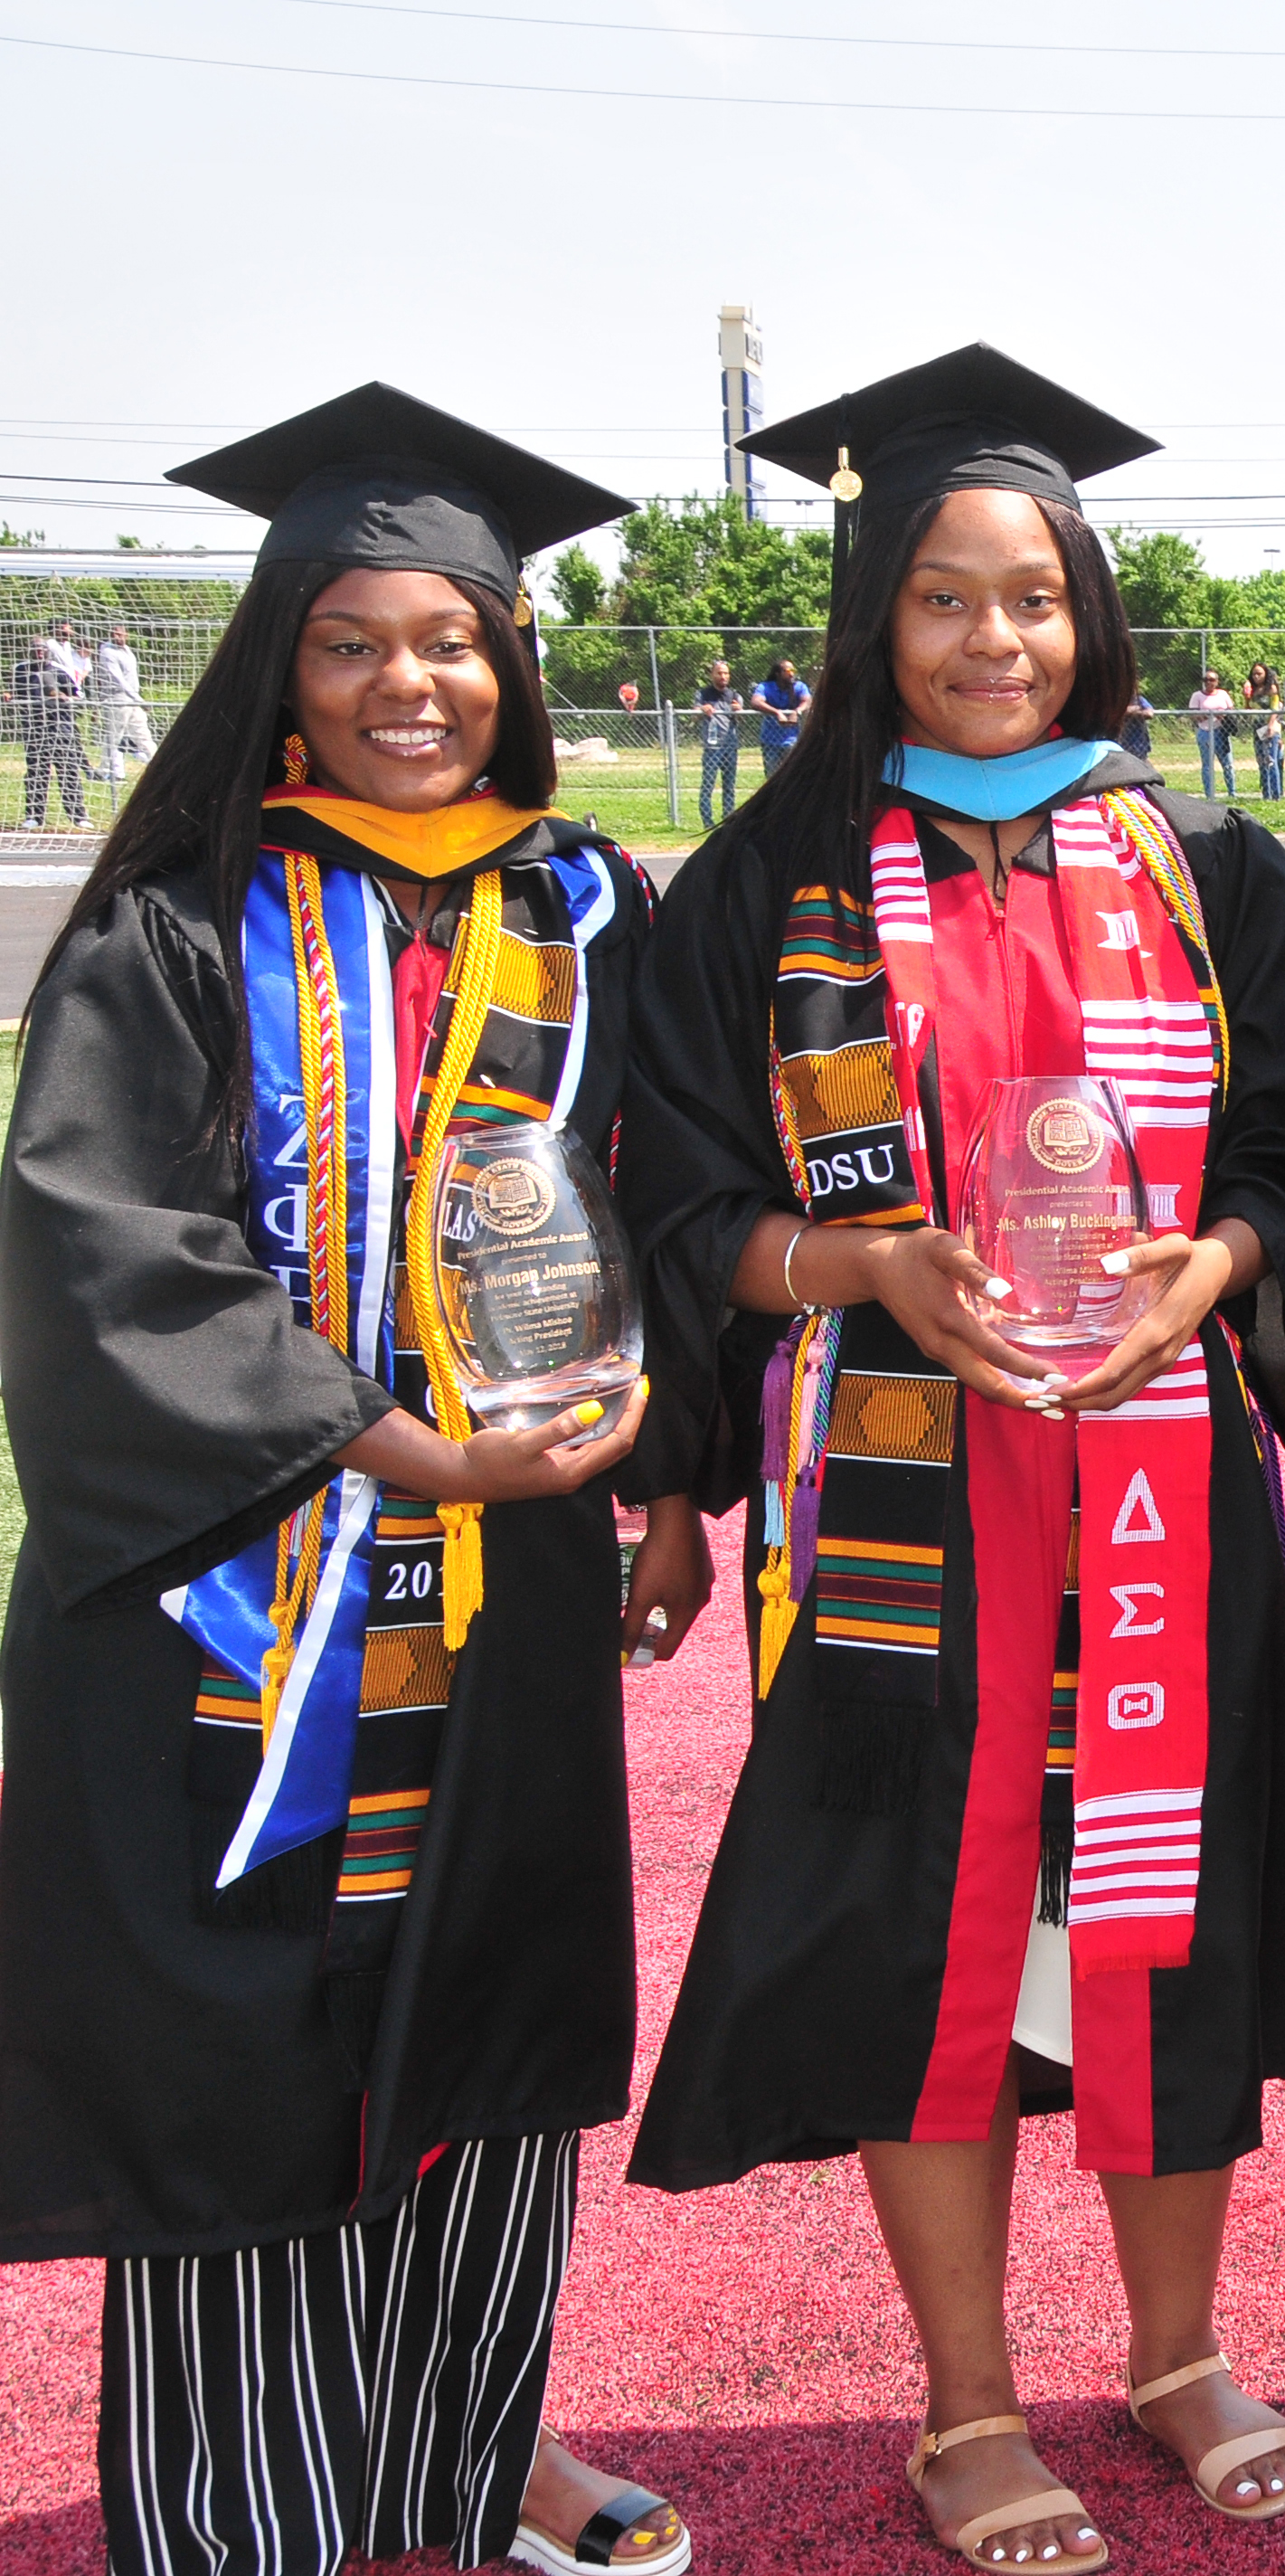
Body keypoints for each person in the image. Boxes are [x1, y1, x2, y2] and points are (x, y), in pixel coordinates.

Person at [623, 346, 1285, 2571]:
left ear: (1092, 613)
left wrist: (1215, 1262)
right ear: (874, 619)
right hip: (894, 1499)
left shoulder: (1206, 853)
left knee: (1162, 1904)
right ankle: (965, 2400)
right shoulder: (770, 876)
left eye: (1034, 596)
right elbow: (674, 1202)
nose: (995, 640)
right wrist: (855, 1267)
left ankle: (1178, 2341)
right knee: (919, 1924)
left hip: (1158, 1482)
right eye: (945, 597)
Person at [0, 384, 710, 2576]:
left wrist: (670, 1470)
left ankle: (469, 2437)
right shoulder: (184, 923)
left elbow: (666, 1194)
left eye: (459, 640)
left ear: (514, 664)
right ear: (282, 665)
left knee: (483, 1998)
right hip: (239, 1587)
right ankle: (253, 2492)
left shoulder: (600, 907)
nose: (416, 684)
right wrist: (388, 1436)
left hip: (508, 1581)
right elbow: (115, 1241)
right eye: (355, 641)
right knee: (250, 2021)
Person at [15, 625, 88, 828]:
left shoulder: (60, 671)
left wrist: (66, 698)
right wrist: (9, 696)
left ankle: (78, 816)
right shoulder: (20, 671)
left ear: (48, 651)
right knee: (36, 772)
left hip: (61, 728)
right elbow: (14, 692)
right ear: (29, 651)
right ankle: (34, 816)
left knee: (68, 770)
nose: (39, 651)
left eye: (42, 648)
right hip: (35, 729)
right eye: (35, 648)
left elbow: (78, 695)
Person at [89, 623, 148, 796]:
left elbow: (131, 678)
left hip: (134, 698)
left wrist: (138, 698)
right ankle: (104, 770)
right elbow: (118, 679)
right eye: (114, 634)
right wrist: (138, 699)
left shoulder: (128, 651)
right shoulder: (108, 652)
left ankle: (158, 763)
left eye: (120, 634)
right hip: (118, 698)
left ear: (126, 635)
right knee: (114, 736)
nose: (118, 637)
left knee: (143, 734)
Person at [694, 657, 743, 827]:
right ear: (712, 675)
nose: (723, 676)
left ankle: (728, 820)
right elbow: (694, 715)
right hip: (712, 747)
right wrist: (702, 709)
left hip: (731, 746)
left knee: (729, 786)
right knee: (708, 785)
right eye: (719, 673)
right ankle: (707, 822)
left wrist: (739, 711)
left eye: (726, 673)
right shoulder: (703, 694)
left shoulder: (734, 695)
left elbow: (741, 717)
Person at [754, 653, 809, 774]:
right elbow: (756, 702)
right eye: (788, 670)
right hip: (770, 741)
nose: (792, 673)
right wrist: (777, 712)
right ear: (778, 674)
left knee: (792, 776)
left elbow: (807, 701)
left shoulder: (799, 686)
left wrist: (797, 711)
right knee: (772, 777)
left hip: (792, 740)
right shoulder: (765, 686)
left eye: (793, 670)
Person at [1189, 665, 1239, 799]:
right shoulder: (1197, 696)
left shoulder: (1223, 694)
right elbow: (1193, 715)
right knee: (1207, 766)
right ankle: (1210, 794)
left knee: (1227, 764)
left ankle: (1232, 793)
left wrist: (1223, 715)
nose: (1209, 683)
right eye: (1206, 680)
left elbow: (1231, 710)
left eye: (1212, 680)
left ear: (1217, 682)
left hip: (1221, 732)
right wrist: (1209, 715)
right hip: (1204, 732)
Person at [1245, 659, 1285, 800]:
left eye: (1259, 674)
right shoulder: (1253, 690)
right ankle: (1265, 793)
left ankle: (1276, 794)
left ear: (1265, 674)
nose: (1256, 676)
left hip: (1269, 727)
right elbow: (1248, 708)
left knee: (1271, 760)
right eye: (1254, 674)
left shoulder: (1271, 689)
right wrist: (1247, 694)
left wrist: (1270, 725)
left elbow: (1275, 708)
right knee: (1261, 760)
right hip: (1257, 728)